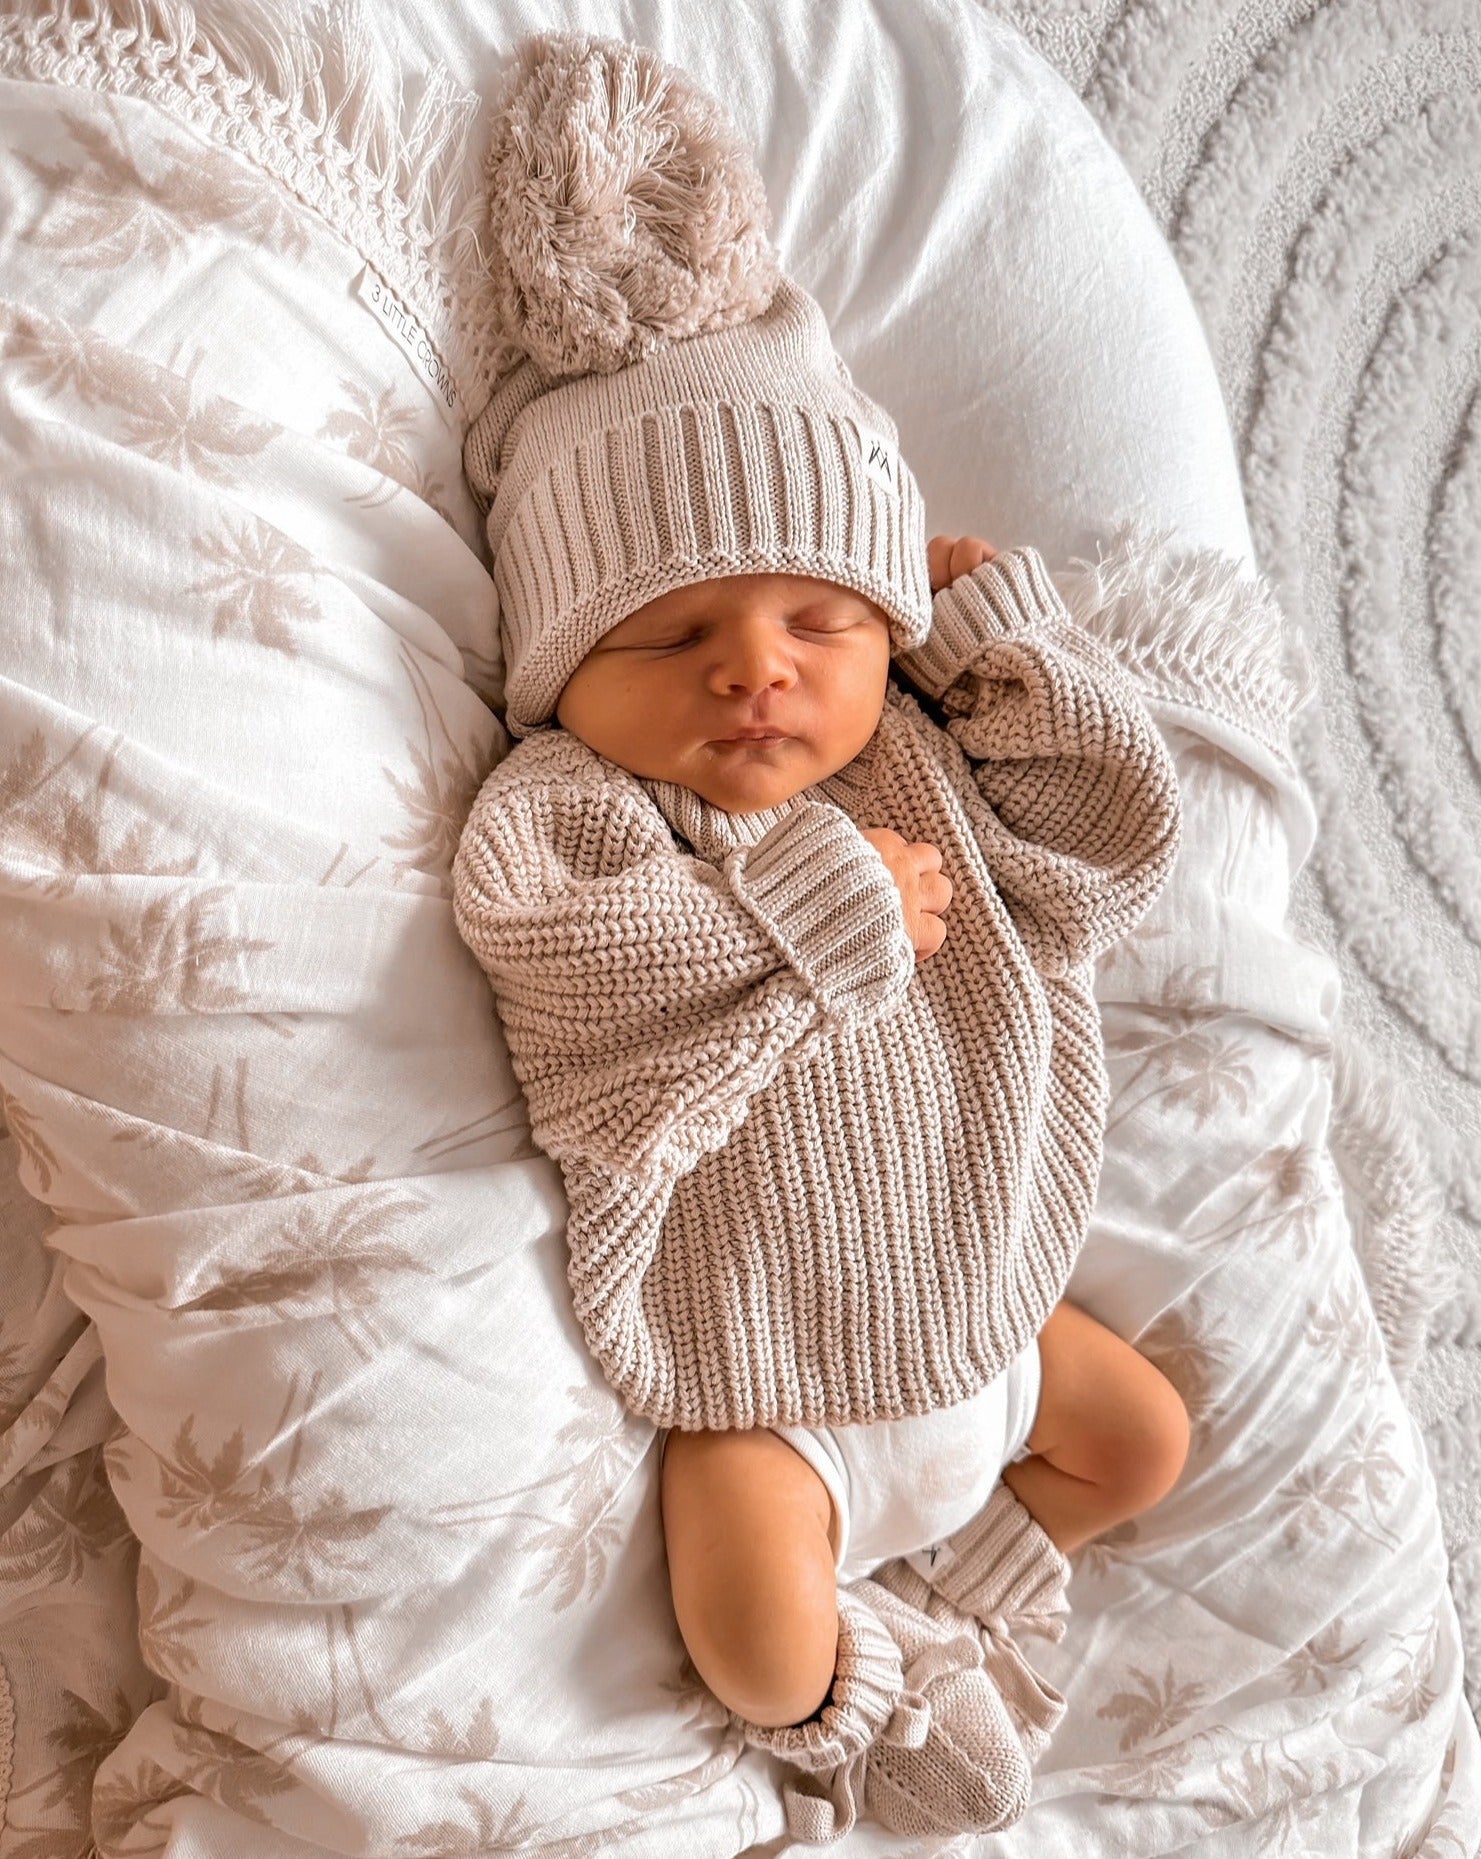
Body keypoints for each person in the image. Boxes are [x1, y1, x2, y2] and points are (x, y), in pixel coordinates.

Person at [451, 28, 1189, 1846]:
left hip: (988, 1311)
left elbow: (1108, 850)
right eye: (669, 634)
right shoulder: (575, 811)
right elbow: (571, 988)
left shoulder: (923, 755)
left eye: (818, 619)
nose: (754, 671)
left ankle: (966, 1601)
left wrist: (1004, 653)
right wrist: (804, 911)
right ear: (558, 670)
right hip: (763, 1387)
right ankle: (866, 1686)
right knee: (754, 1640)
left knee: (1142, 1439)